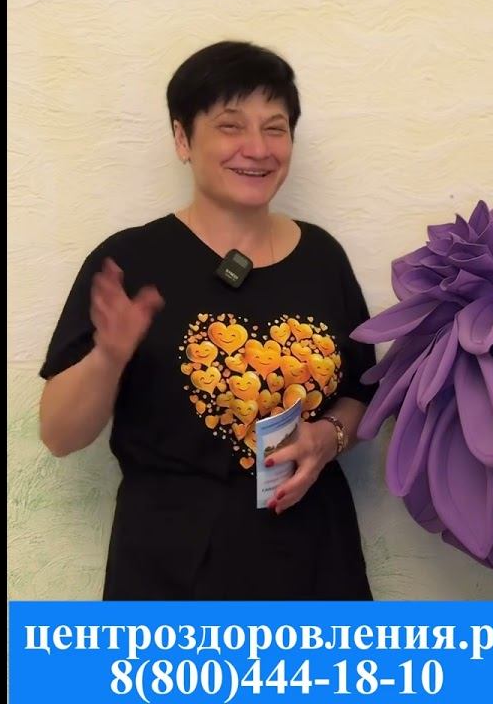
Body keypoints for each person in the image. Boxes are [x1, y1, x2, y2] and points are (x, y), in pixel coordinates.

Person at [38, 41, 378, 600]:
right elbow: (59, 435)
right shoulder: (130, 261)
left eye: (275, 128)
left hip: (317, 559)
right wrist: (109, 357)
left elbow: (364, 394)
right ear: (182, 138)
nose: (257, 148)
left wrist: (328, 437)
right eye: (229, 125)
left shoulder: (322, 256)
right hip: (173, 571)